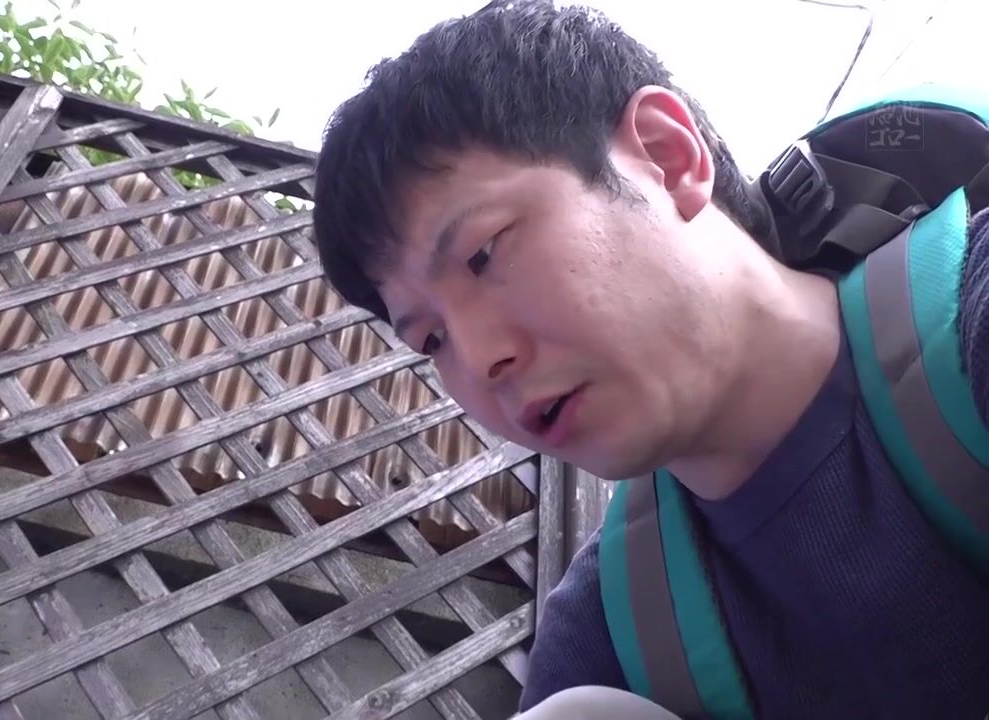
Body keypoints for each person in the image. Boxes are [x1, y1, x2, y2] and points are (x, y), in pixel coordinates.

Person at [311, 1, 989, 718]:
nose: (480, 362)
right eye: (431, 340)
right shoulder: (609, 640)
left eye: (484, 253)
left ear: (668, 157)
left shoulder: (967, 317)